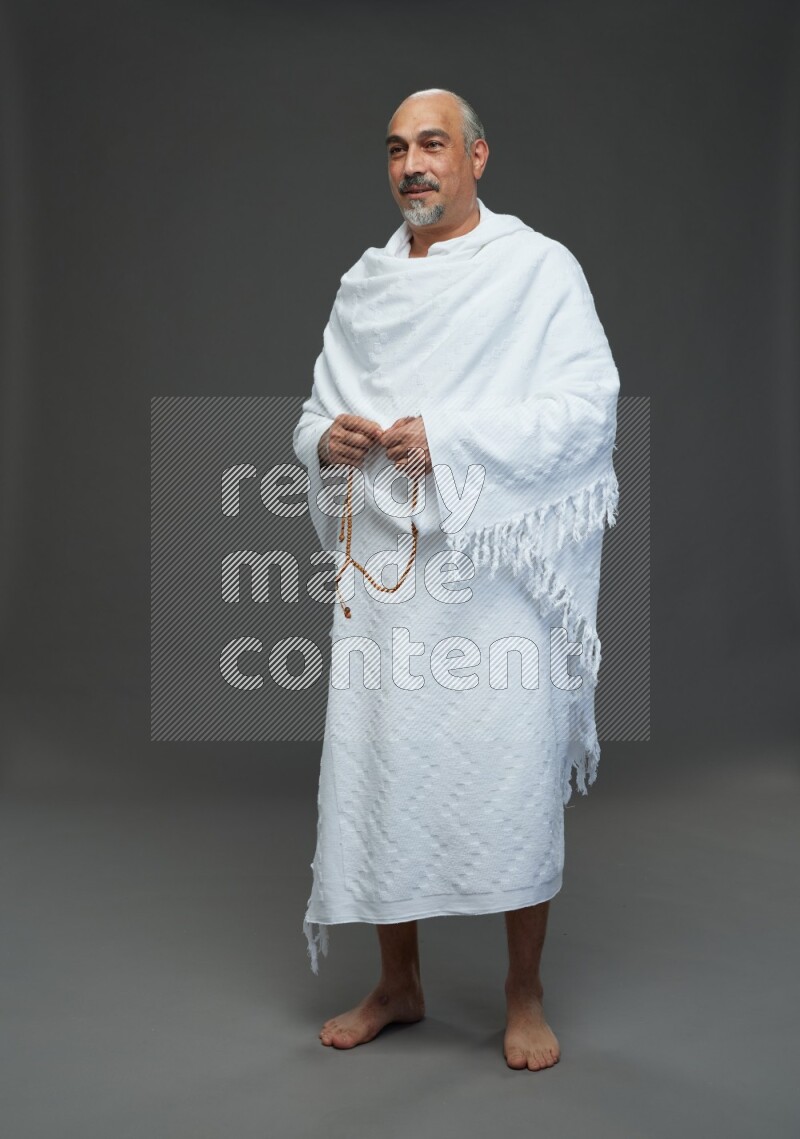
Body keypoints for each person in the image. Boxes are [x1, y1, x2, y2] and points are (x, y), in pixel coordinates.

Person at [292, 88, 620, 1071]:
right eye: (395, 149)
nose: (411, 165)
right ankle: (397, 981)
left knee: (509, 773)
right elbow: (313, 409)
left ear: (478, 156)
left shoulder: (536, 270)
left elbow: (585, 410)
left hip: (496, 569)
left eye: (431, 144)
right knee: (383, 767)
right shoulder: (364, 285)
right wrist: (325, 440)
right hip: (391, 573)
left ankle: (522, 991)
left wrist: (453, 442)